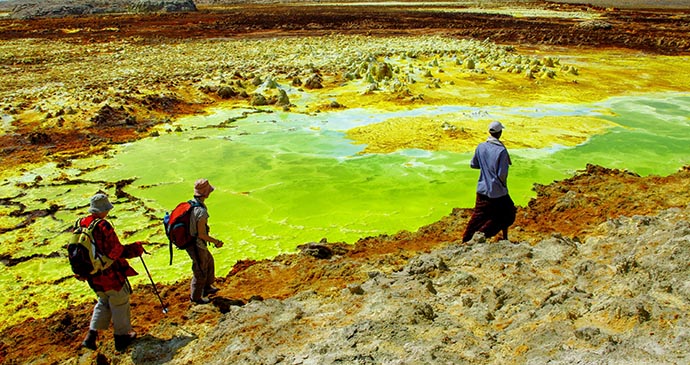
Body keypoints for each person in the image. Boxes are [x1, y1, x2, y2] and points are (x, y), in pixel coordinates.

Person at [78, 193, 144, 352]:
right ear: (104, 209)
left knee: (103, 301)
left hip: (93, 275)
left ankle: (91, 335)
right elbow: (116, 250)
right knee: (120, 301)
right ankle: (122, 337)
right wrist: (135, 249)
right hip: (109, 274)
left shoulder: (81, 223)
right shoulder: (103, 226)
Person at [462, 121, 516, 242]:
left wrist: (485, 166)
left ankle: (467, 239)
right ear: (500, 133)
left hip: (482, 189)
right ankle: (483, 234)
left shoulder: (480, 147)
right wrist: (503, 186)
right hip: (497, 192)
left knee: (478, 216)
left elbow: (473, 164)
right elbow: (502, 174)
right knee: (508, 214)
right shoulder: (501, 151)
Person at [187, 178, 224, 304]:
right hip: (196, 244)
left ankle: (207, 286)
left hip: (194, 241)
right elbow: (202, 234)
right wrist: (216, 242)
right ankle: (196, 298)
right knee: (200, 270)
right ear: (206, 193)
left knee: (209, 260)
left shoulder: (192, 203)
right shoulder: (201, 212)